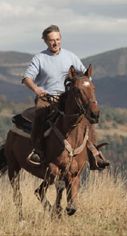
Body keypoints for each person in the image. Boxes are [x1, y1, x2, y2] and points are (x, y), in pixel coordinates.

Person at [22, 25, 109, 168]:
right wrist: (37, 90)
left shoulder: (70, 56)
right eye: (51, 40)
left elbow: (85, 77)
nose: (55, 43)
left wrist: (86, 93)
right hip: (46, 97)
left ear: (60, 39)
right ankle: (37, 150)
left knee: (87, 117)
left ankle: (94, 154)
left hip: (68, 97)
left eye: (57, 39)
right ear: (45, 42)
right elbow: (26, 78)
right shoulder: (39, 58)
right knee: (40, 113)